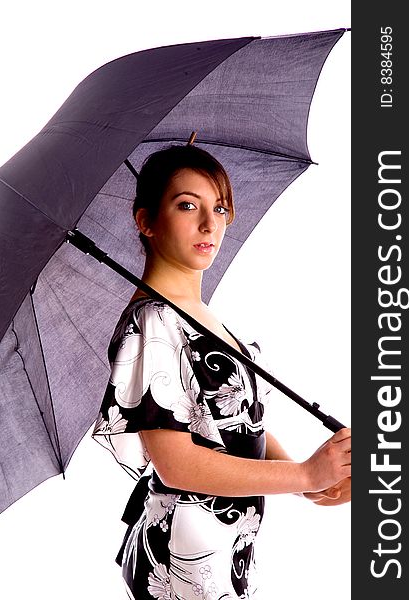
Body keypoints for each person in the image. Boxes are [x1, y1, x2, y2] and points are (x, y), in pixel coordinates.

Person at [91, 143, 351, 599]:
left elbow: (237, 425)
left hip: (226, 547)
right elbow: (176, 464)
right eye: (187, 205)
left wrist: (311, 481)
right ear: (145, 221)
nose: (210, 224)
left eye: (220, 207)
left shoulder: (200, 316)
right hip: (185, 557)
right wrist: (307, 475)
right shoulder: (152, 322)